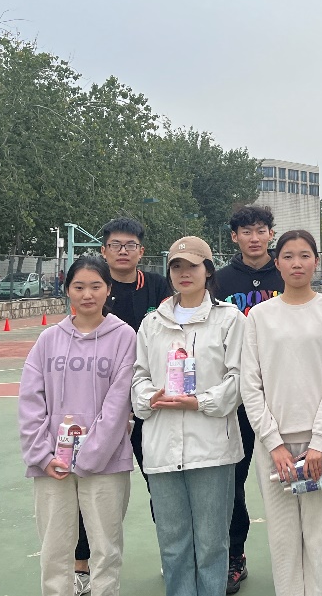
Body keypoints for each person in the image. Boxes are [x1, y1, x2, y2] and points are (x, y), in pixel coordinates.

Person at [242, 230, 322, 596]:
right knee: (284, 541)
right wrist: (273, 443)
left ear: (315, 261)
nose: (296, 263)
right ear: (277, 263)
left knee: (321, 540)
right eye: (288, 256)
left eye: (304, 255)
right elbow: (250, 384)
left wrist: (319, 442)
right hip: (274, 447)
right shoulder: (259, 316)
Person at [132, 236, 245, 596]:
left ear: (207, 270)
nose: (184, 273)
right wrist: (150, 397)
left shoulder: (229, 320)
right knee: (173, 544)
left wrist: (200, 402)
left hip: (212, 449)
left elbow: (239, 379)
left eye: (192, 266)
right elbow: (138, 377)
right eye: (176, 266)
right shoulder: (152, 323)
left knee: (212, 544)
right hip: (162, 448)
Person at [18, 255, 137, 596]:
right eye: (79, 286)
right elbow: (30, 400)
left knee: (106, 548)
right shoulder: (48, 339)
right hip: (52, 463)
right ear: (67, 290)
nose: (87, 294)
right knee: (55, 549)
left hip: (105, 462)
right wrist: (42, 455)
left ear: (108, 289)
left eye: (95, 286)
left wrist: (90, 456)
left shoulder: (124, 337)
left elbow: (118, 403)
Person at [70, 216, 173, 595]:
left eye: (130, 245)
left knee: (161, 485)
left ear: (141, 251)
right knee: (88, 487)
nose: (123, 251)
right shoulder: (94, 286)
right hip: (98, 412)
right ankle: (81, 566)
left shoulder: (159, 287)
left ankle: (172, 555)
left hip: (148, 407)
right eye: (116, 245)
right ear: (104, 250)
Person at [214, 204, 285, 593]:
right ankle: (234, 555)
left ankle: (296, 556)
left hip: (285, 393)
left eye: (261, 230)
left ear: (271, 234)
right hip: (238, 397)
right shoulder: (220, 281)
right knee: (234, 479)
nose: (254, 238)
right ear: (234, 237)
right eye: (246, 231)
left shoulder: (287, 271)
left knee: (290, 474)